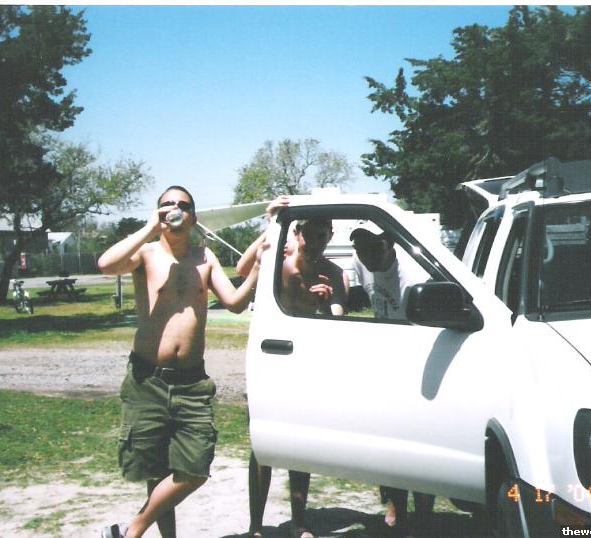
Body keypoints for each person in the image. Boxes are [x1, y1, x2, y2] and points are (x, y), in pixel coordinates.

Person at [97, 186, 263, 538]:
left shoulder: (205, 257)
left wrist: (257, 270)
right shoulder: (146, 254)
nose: (175, 209)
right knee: (156, 469)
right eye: (167, 204)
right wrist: (149, 227)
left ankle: (132, 529)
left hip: (192, 383)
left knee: (195, 467)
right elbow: (106, 266)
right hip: (147, 380)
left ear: (193, 217)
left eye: (183, 205)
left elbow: (234, 303)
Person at [239, 213, 347, 538]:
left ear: (330, 235)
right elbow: (242, 269)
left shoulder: (335, 274)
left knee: (299, 446)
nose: (316, 242)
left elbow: (339, 322)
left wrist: (325, 304)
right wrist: (271, 224)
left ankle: (298, 522)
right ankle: (256, 526)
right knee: (262, 447)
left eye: (322, 236)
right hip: (272, 360)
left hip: (307, 364)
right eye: (310, 234)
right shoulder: (278, 262)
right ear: (298, 233)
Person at [350, 224, 435, 535]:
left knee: (420, 445)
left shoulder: (413, 277)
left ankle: (424, 513)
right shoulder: (361, 262)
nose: (365, 255)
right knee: (390, 446)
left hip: (416, 366)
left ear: (390, 244)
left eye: (373, 247)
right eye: (360, 247)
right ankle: (396, 506)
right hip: (385, 366)